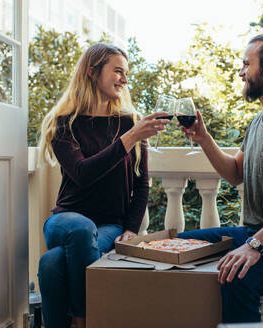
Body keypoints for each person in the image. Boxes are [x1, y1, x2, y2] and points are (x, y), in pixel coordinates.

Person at [36, 43, 170, 328]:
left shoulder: (129, 123)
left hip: (110, 224)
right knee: (82, 229)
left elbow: (141, 184)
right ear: (92, 71)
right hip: (65, 219)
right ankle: (85, 319)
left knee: (51, 264)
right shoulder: (64, 125)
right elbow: (83, 174)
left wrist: (132, 228)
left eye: (126, 73)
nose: (124, 79)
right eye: (118, 71)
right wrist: (130, 138)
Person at [178, 29, 263, 323]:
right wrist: (204, 138)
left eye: (246, 64)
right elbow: (235, 174)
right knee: (181, 246)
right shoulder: (257, 121)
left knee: (239, 278)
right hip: (252, 233)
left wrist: (255, 246)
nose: (241, 72)